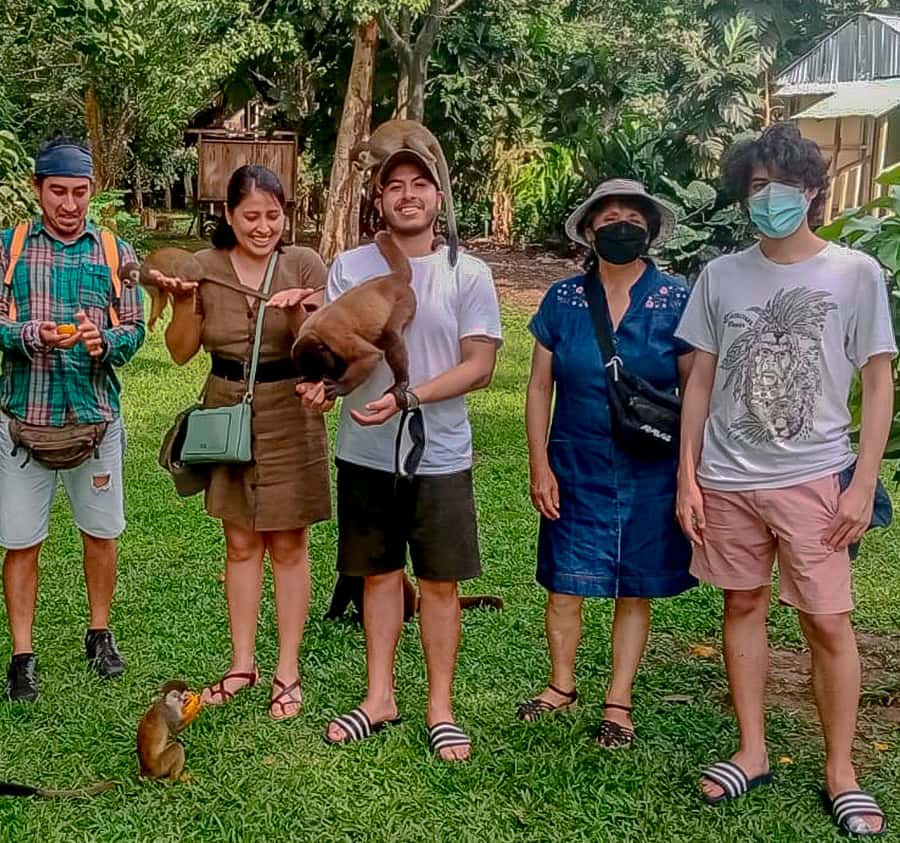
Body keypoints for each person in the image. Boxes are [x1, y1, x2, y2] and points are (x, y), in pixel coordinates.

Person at [676, 122, 894, 836]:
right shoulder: (721, 275)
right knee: (741, 603)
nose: (771, 197)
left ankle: (841, 771)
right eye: (758, 185)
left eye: (785, 184)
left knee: (827, 621)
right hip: (727, 476)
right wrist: (687, 475)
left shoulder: (854, 273)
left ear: (813, 191)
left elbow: (878, 381)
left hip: (815, 477)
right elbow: (700, 380)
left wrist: (861, 483)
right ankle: (752, 748)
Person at [301, 138, 502, 761]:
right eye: (394, 185)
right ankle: (379, 697)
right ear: (379, 197)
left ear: (439, 196)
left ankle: (440, 709)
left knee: (439, 583)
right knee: (380, 576)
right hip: (364, 450)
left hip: (439, 452)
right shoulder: (350, 266)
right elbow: (341, 352)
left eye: (420, 184)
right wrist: (324, 388)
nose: (407, 195)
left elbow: (480, 366)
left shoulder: (468, 272)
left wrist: (409, 397)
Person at [517, 178, 695, 747]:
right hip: (574, 461)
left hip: (651, 467)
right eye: (609, 217)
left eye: (633, 218)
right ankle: (561, 686)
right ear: (590, 230)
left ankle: (619, 701)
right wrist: (539, 463)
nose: (621, 226)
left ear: (650, 230)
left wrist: (689, 474)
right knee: (563, 583)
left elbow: (695, 391)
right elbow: (539, 386)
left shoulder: (676, 299)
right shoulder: (563, 299)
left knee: (633, 587)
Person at [157, 164, 330, 720]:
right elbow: (180, 351)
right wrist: (184, 301)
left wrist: (301, 310)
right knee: (239, 543)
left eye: (272, 215)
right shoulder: (204, 268)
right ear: (229, 215)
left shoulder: (304, 264)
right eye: (250, 216)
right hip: (226, 409)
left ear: (286, 214)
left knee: (290, 545)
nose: (263, 227)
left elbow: (325, 347)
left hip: (291, 410)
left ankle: (287, 671)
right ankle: (241, 665)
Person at [0, 135, 146, 702]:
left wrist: (104, 341)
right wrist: (28, 334)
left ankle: (100, 633)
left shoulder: (114, 251)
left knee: (101, 533)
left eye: (79, 192)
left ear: (92, 189)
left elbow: (134, 327)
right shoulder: (9, 248)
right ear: (37, 189)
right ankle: (22, 654)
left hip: (95, 420)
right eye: (57, 191)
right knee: (20, 541)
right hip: (23, 418)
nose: (68, 203)